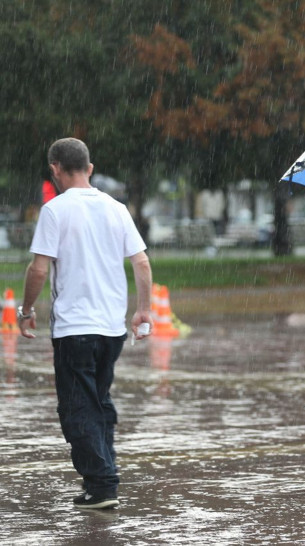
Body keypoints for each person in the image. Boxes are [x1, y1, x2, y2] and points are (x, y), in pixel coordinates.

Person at [18, 138, 154, 510]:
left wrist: (26, 309)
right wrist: (144, 310)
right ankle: (101, 478)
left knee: (77, 408)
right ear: (90, 168)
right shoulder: (116, 208)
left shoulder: (55, 210)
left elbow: (39, 268)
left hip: (74, 328)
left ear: (55, 169)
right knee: (98, 400)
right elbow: (141, 262)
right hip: (111, 328)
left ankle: (102, 485)